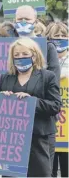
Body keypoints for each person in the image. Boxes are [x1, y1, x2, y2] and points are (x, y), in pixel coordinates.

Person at [0, 37, 61, 177]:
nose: (20, 57)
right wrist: (1, 97)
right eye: (16, 55)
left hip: (39, 139)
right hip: (12, 141)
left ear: (34, 55)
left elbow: (55, 105)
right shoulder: (6, 78)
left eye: (25, 54)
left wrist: (32, 102)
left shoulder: (47, 76)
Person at [15, 5, 61, 171]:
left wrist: (27, 97)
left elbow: (52, 84)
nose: (23, 23)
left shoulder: (48, 48)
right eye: (19, 19)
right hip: (13, 129)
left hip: (40, 128)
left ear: (35, 22)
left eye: (27, 19)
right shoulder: (7, 47)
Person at [46, 22, 69, 177]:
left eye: (63, 36)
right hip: (51, 122)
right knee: (50, 169)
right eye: (56, 36)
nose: (60, 39)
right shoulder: (44, 60)